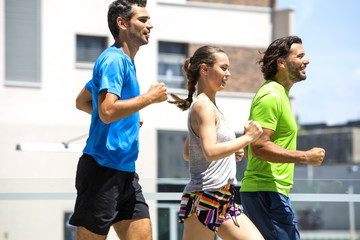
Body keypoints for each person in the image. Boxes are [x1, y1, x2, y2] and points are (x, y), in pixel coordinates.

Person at [69, 0, 168, 239]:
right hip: (102, 171)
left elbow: (83, 101)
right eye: (143, 20)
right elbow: (107, 110)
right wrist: (147, 99)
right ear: (122, 23)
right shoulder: (113, 60)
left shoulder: (124, 62)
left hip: (125, 172)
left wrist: (129, 116)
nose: (150, 25)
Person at [169, 45, 264, 240]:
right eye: (224, 68)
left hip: (222, 198)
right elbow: (210, 152)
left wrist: (231, 151)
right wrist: (246, 139)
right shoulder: (203, 106)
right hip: (206, 197)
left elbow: (189, 153)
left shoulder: (209, 106)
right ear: (204, 69)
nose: (228, 74)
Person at [239, 36, 326, 240]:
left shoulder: (280, 95)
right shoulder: (271, 96)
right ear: (282, 62)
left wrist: (284, 174)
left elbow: (251, 149)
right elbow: (258, 147)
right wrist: (304, 157)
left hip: (271, 192)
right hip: (266, 194)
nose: (307, 60)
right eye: (300, 56)